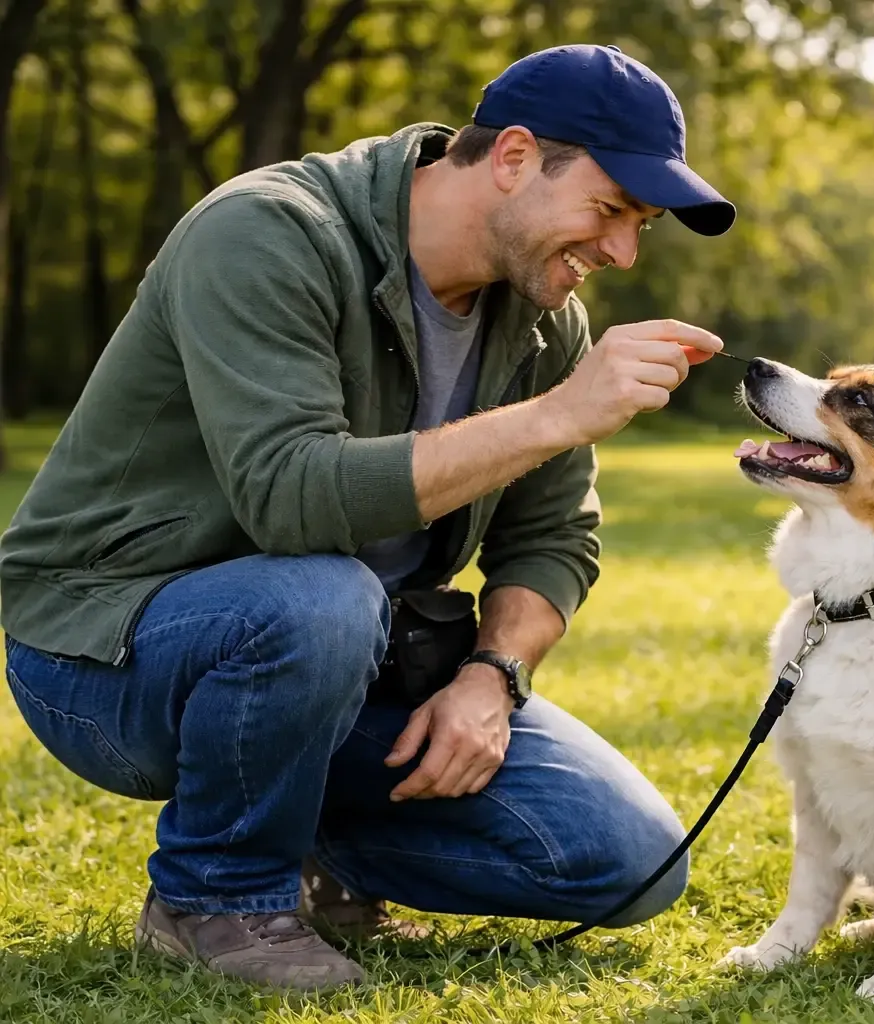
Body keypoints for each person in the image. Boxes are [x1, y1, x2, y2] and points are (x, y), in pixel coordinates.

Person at [0, 44, 736, 992]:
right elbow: (291, 495)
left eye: (640, 225)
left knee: (632, 863)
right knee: (321, 598)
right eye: (609, 211)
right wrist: (557, 415)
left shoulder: (547, 321)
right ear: (512, 157)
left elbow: (553, 539)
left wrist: (492, 677)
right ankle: (213, 900)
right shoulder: (265, 233)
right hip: (105, 654)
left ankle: (314, 843)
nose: (624, 251)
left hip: (346, 662)